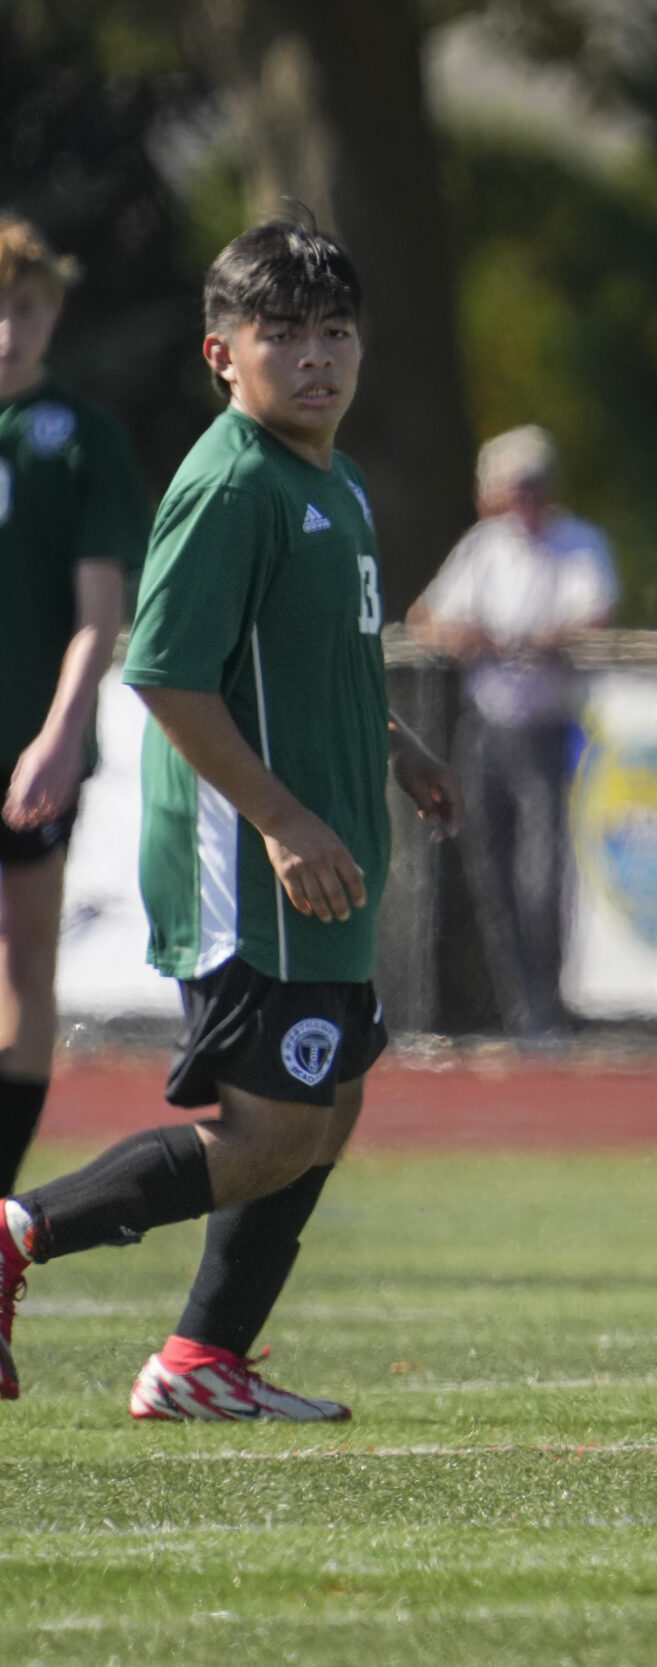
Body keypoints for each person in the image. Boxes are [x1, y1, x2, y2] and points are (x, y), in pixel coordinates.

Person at [0, 217, 463, 1418]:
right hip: (250, 855)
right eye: (284, 335)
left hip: (319, 837)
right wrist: (278, 821)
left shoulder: (334, 475)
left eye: (336, 331)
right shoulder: (232, 483)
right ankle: (18, 1232)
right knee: (270, 1133)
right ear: (222, 356)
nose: (317, 357)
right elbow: (164, 674)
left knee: (335, 1096)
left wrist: (397, 748)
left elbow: (316, 663)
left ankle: (205, 1359)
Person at [0, 215, 151, 1193]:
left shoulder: (81, 438)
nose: (9, 328)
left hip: (28, 749)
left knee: (22, 971)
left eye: (25, 306)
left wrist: (58, 736)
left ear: (54, 309)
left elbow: (99, 616)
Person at [406, 425, 617, 1036]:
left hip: (547, 723)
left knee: (543, 874)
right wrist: (467, 638)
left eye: (531, 486)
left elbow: (593, 618)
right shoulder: (485, 546)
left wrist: (535, 641)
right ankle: (519, 1008)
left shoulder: (578, 543)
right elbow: (427, 618)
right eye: (510, 488)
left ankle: (549, 1005)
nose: (521, 500)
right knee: (490, 870)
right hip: (489, 723)